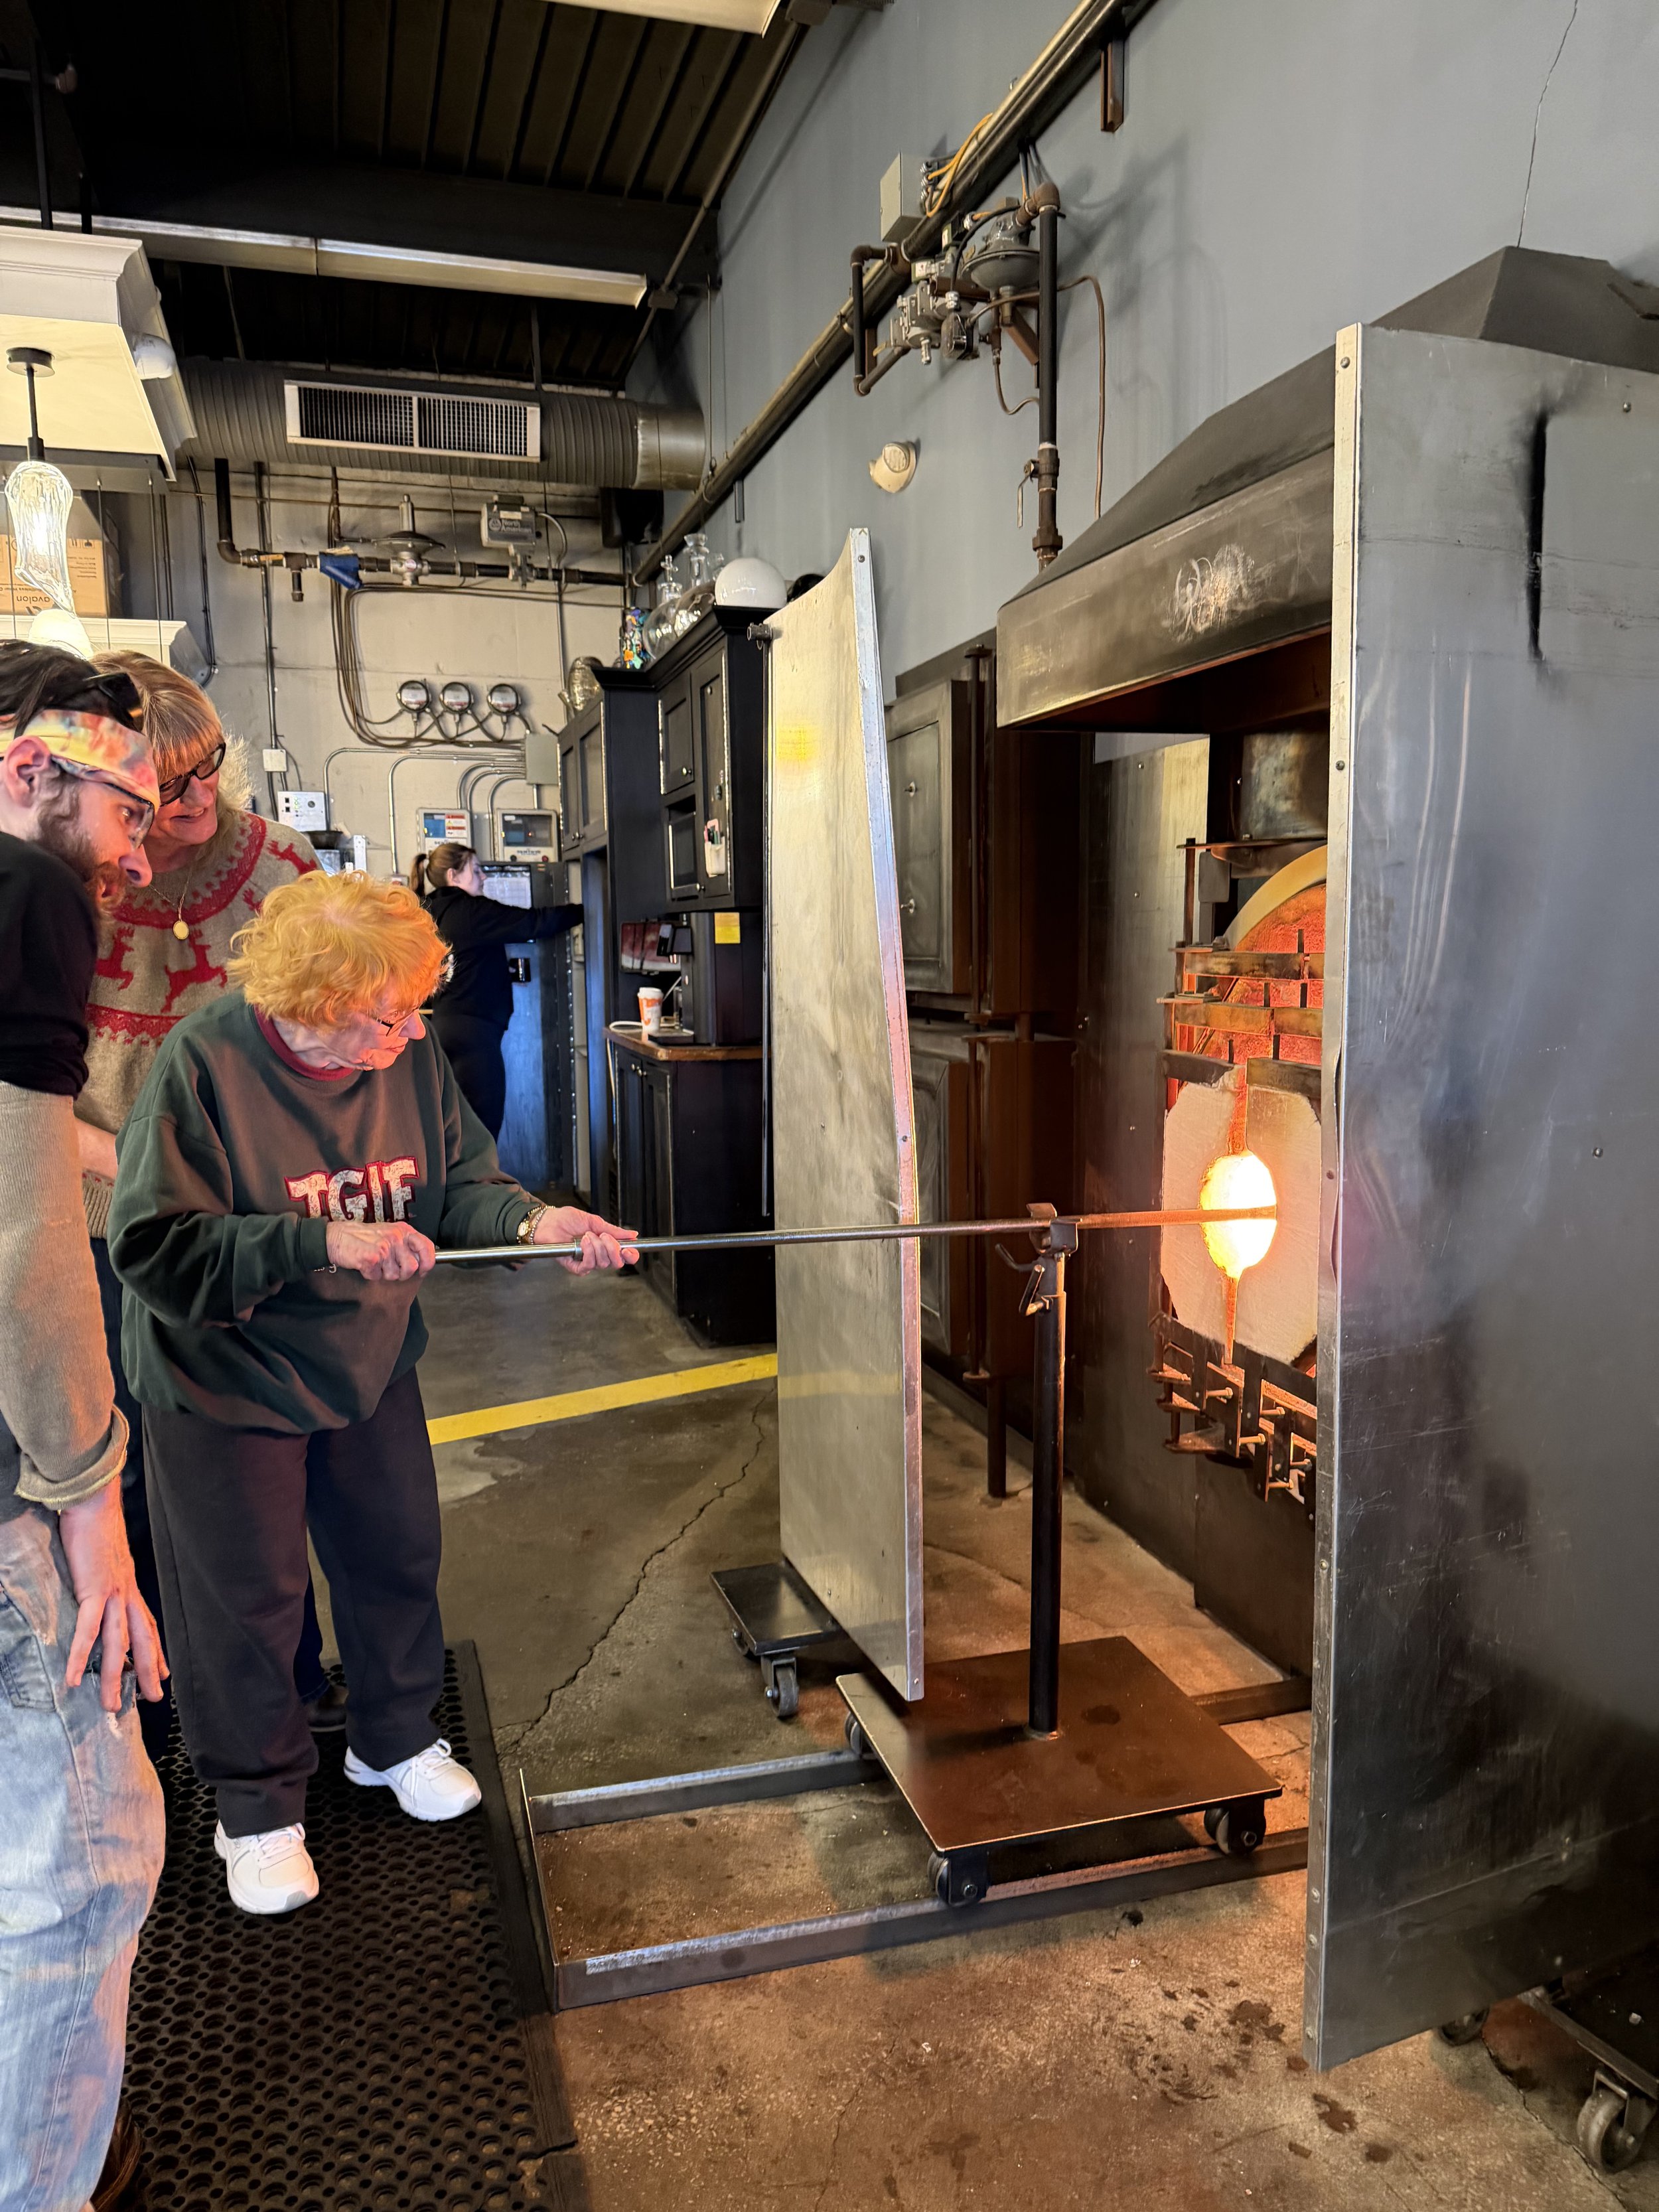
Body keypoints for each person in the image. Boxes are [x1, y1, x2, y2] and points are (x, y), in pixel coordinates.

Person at [108, 869, 638, 1917]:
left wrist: (540, 1225)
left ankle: (394, 1738)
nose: (398, 1038)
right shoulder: (204, 1063)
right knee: (249, 1595)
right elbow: (154, 1248)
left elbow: (462, 1186)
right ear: (302, 1003)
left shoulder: (410, 1053)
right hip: (225, 1373)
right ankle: (257, 1808)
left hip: (368, 1358)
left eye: (409, 1012)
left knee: (395, 1552)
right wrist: (322, 1240)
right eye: (374, 1020)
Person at [72, 651, 336, 1759]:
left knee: (274, 1452)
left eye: (206, 774)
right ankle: (168, 1687)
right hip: (108, 1217)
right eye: (162, 787)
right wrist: (125, 1169)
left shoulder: (278, 863)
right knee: (129, 1459)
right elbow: (36, 1084)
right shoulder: (71, 877)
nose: (188, 809)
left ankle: (289, 1683)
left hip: (252, 1218)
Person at [0, 643, 167, 2212]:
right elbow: (14, 1223)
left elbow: (42, 1145)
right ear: (26, 767)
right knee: (86, 1859)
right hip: (6, 1493)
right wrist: (87, 1496)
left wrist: (154, 1173)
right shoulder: (20, 888)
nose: (138, 850)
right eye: (126, 803)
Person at [409, 842, 576, 1140]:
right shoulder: (471, 912)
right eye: (476, 870)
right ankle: (480, 1187)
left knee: (450, 1130)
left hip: (441, 1029)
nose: (483, 877)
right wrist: (584, 910)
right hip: (475, 1035)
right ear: (454, 875)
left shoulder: (428, 913)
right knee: (483, 1132)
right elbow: (531, 923)